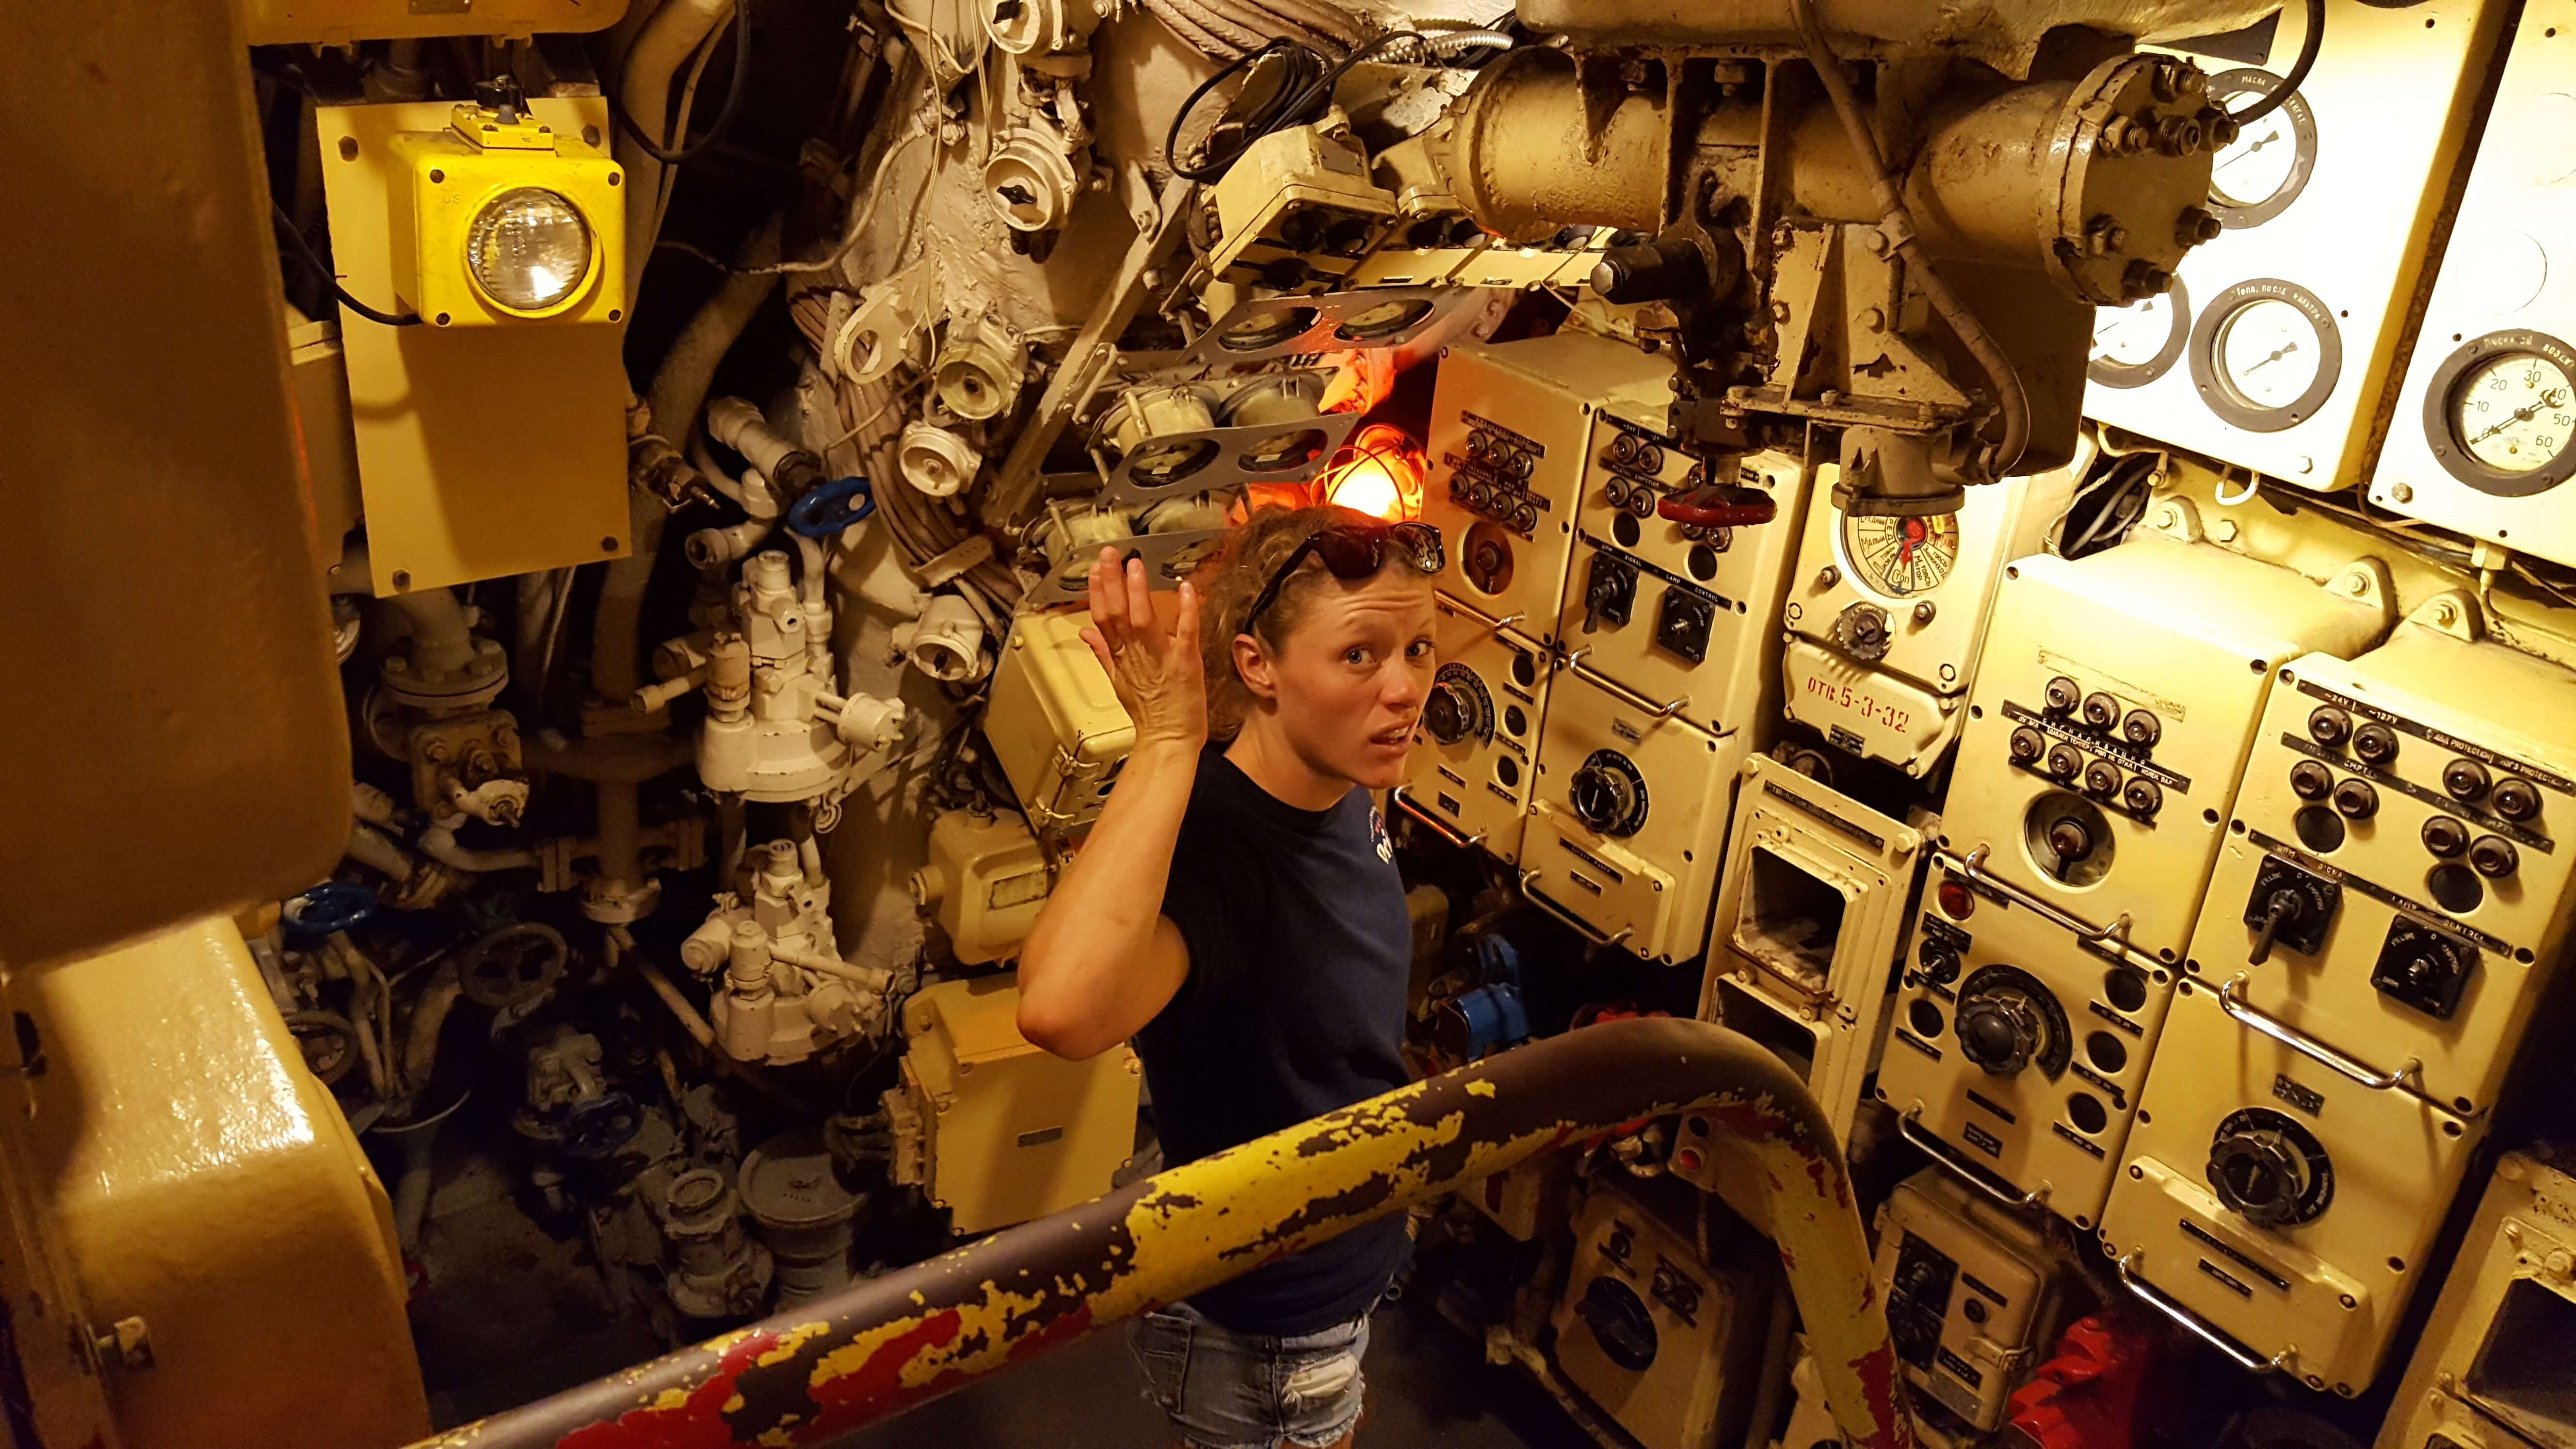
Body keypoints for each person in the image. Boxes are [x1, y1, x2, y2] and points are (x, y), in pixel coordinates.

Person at [1016, 504, 1445, 1449]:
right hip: (1274, 1333)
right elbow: (1056, 1010)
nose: (1405, 689)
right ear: (1258, 667)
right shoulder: (1217, 852)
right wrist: (1165, 740)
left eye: (1418, 649)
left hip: (1339, 1251)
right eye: (1360, 656)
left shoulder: (1340, 780)